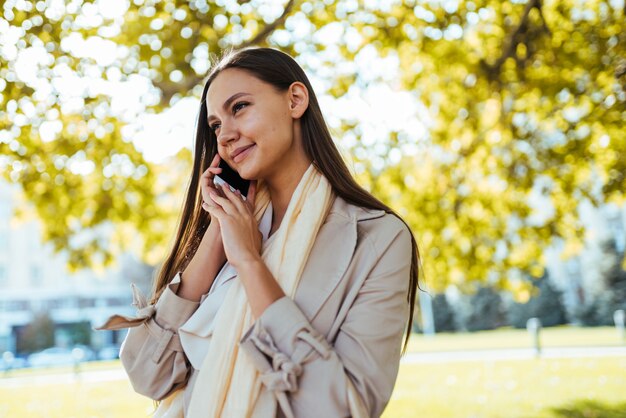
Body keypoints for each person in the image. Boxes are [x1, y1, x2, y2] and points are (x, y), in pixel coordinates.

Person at [98, 47, 420, 418]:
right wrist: (220, 230)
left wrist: (250, 262)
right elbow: (148, 375)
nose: (225, 136)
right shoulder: (228, 229)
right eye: (216, 124)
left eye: (239, 108)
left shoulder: (377, 239)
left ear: (295, 100)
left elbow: (343, 409)